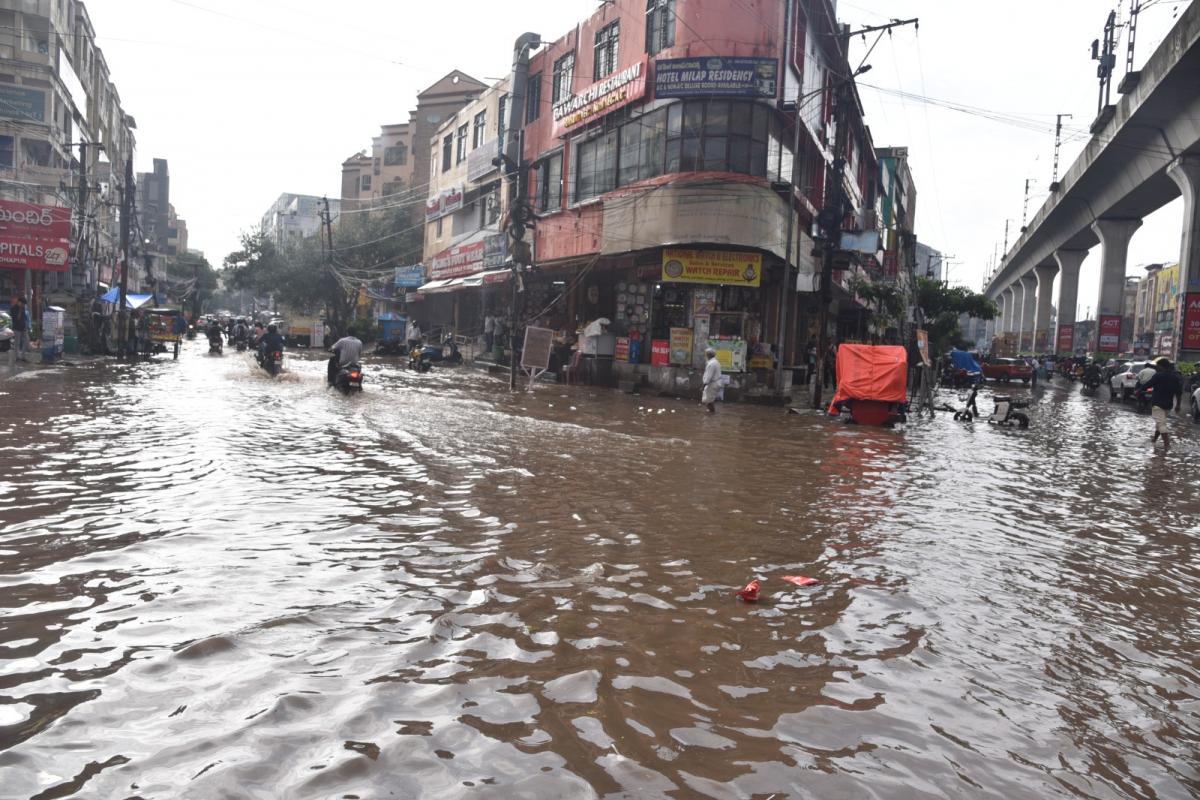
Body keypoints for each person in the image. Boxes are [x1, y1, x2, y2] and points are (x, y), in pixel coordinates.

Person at [1143, 358, 1182, 448]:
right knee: (1160, 423)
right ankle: (1154, 440)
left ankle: (1167, 445)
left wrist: (1139, 390)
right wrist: (1178, 405)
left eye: (1157, 366)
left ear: (1161, 366)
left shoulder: (1158, 376)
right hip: (1168, 405)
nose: (1156, 367)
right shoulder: (1175, 377)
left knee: (1161, 424)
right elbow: (1179, 393)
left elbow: (1148, 384)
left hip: (1157, 404)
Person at [701, 346, 722, 413]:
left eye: (706, 354)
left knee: (708, 401)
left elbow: (708, 376)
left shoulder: (711, 364)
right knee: (708, 400)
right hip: (715, 383)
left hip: (712, 383)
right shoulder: (715, 362)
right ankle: (711, 412)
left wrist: (704, 385)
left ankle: (712, 413)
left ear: (708, 355)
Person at [10, 296, 29, 362]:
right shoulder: (13, 308)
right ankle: (17, 357)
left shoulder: (23, 308)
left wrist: (26, 325)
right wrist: (20, 310)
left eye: (24, 304)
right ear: (19, 302)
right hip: (17, 328)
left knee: (26, 341)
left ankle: (23, 356)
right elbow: (17, 319)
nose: (23, 305)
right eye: (23, 304)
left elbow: (24, 318)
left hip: (23, 327)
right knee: (17, 343)